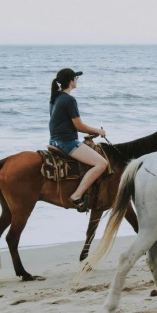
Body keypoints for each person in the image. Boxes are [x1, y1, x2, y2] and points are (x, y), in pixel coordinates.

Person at [49, 68, 108, 212]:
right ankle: (77, 195)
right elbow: (79, 126)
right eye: (76, 78)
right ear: (71, 81)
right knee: (102, 163)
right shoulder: (69, 100)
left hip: (54, 140)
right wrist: (98, 131)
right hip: (66, 142)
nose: (77, 80)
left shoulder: (56, 97)